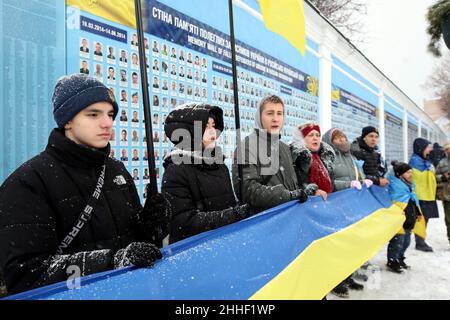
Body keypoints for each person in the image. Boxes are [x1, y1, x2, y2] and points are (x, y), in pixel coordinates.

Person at [0, 74, 171, 295]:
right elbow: (27, 275)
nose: (107, 123)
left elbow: (133, 245)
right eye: (93, 114)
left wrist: (151, 228)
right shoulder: (27, 182)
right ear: (67, 120)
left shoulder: (116, 170)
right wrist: (111, 262)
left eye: (110, 114)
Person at [162, 103, 250, 243]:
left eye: (213, 125)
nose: (212, 131)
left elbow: (229, 204)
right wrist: (232, 215)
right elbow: (183, 222)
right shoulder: (176, 170)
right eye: (206, 126)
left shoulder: (219, 165)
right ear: (190, 131)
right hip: (195, 252)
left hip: (225, 243)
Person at [232, 95, 307, 214]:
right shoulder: (247, 146)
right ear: (259, 117)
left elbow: (293, 185)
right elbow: (246, 190)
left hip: (290, 218)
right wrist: (286, 196)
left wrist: (305, 190)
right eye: (270, 113)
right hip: (264, 222)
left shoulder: (284, 147)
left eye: (279, 113)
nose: (275, 119)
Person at [387, 161, 423, 273]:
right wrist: (397, 211)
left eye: (411, 172)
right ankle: (392, 260)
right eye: (407, 172)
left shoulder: (410, 186)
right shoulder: (396, 186)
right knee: (397, 242)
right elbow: (394, 201)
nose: (410, 175)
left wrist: (417, 212)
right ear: (400, 175)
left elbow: (412, 201)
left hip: (409, 219)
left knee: (406, 242)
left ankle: (400, 258)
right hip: (400, 220)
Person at [290, 123, 335, 200]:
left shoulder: (324, 158)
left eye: (318, 135)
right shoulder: (296, 158)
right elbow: (295, 187)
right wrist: (313, 192)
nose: (315, 138)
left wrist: (348, 184)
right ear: (302, 139)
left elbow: (332, 184)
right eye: (311, 135)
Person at [409, 137, 438, 252]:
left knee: (425, 219)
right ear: (420, 148)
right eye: (427, 147)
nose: (429, 150)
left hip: (427, 194)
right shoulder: (415, 163)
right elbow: (420, 179)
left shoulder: (424, 161)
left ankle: (421, 240)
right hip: (421, 195)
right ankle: (420, 242)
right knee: (421, 219)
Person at [436, 141, 450, 245]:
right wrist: (443, 177)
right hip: (447, 196)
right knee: (449, 220)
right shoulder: (442, 163)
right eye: (447, 149)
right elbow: (434, 177)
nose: (449, 151)